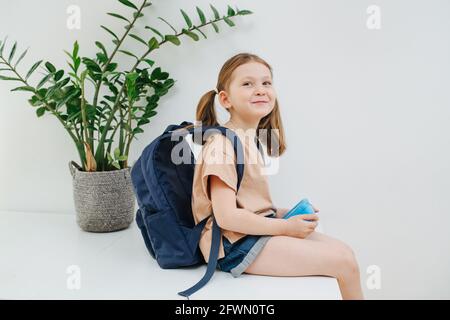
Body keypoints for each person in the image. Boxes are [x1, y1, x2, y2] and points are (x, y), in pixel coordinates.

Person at [188, 52, 364, 300]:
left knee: (346, 253)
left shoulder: (248, 139)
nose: (260, 90)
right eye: (248, 84)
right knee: (343, 263)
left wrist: (282, 213)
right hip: (232, 246)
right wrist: (284, 227)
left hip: (250, 233)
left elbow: (247, 203)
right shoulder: (221, 145)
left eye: (266, 82)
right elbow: (226, 216)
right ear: (226, 99)